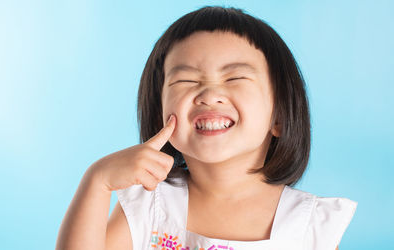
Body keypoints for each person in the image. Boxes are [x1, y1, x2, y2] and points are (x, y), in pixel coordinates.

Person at [56, 6, 357, 250]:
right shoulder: (150, 204)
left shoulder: (311, 225)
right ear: (160, 111)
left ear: (278, 117)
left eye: (235, 78)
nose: (210, 94)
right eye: (186, 80)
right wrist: (96, 182)